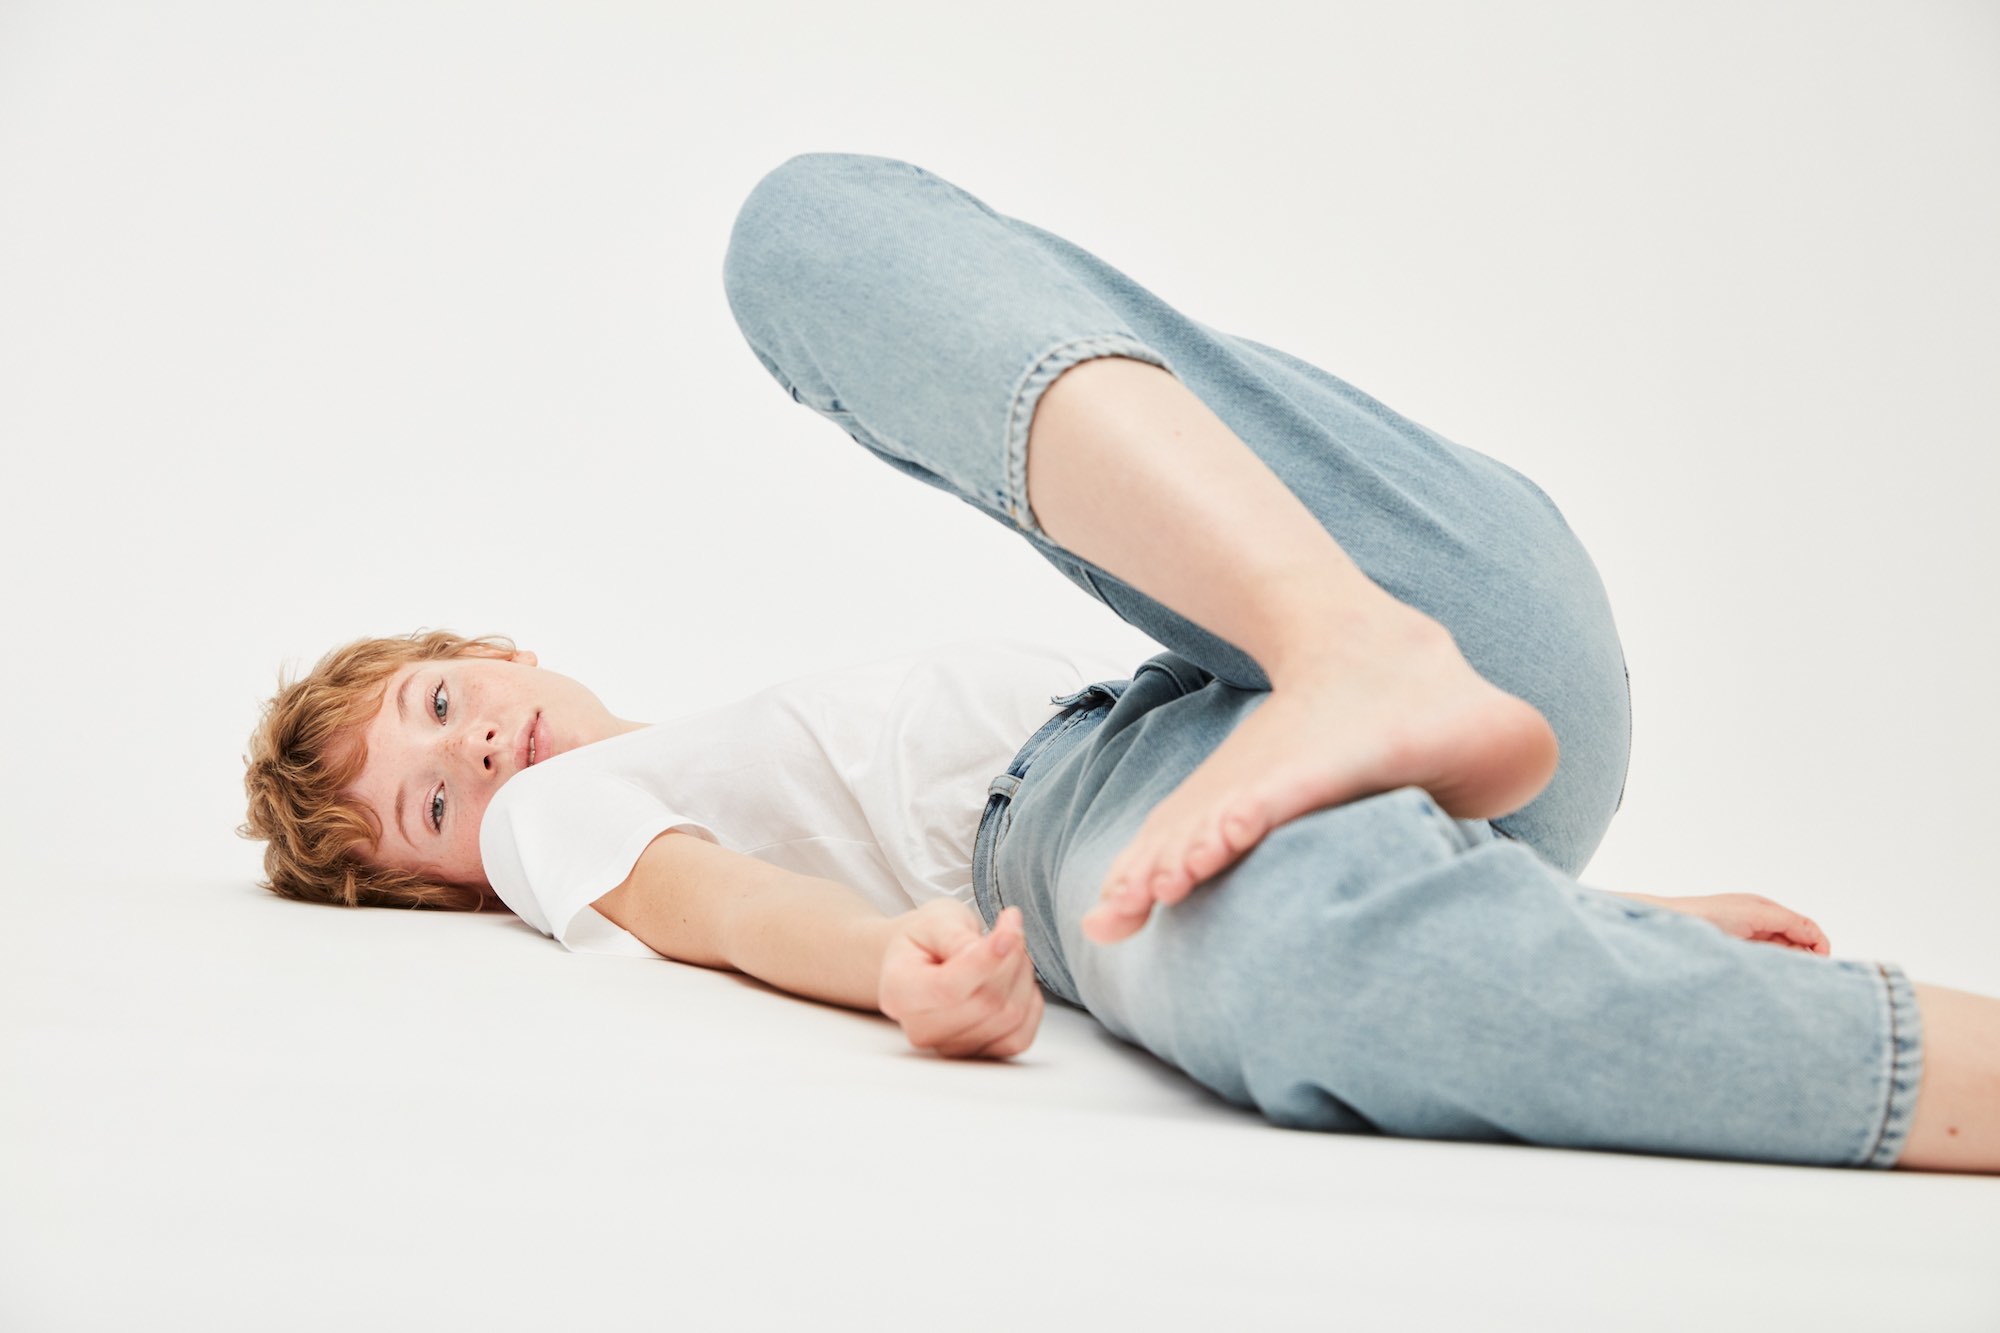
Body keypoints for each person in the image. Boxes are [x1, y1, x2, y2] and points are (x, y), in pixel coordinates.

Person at [240, 152, 1998, 1175]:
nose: (480, 761)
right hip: (1081, 819)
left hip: (1305, 660)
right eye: (432, 808)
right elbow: (719, 908)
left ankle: (1345, 646)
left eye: (444, 709)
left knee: (811, 229)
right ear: (459, 882)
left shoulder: (671, 736)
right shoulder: (562, 829)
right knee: (1310, 970)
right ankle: (1428, 790)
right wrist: (894, 964)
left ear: (491, 649)